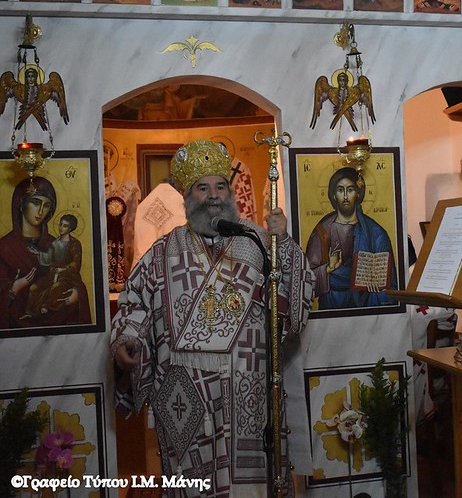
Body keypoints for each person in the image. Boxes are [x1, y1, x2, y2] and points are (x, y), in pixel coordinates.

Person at [110, 139, 315, 496]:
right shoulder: (164, 251)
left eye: (220, 186)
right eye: (202, 188)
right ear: (187, 197)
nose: (214, 196)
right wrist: (128, 337)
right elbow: (135, 299)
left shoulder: (257, 241)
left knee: (251, 484)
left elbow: (295, 300)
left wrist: (284, 243)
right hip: (186, 396)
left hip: (247, 388)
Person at [0, 176, 90, 329]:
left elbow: (74, 277)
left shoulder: (56, 243)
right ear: (21, 204)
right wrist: (15, 288)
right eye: (35, 203)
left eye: (46, 205)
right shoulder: (5, 247)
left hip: (57, 324)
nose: (41, 211)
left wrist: (78, 293)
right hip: (15, 332)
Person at [305, 166, 397, 310]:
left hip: (366, 309)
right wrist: (328, 268)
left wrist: (378, 287)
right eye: (340, 190)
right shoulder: (322, 231)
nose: (345, 197)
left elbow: (390, 287)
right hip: (331, 306)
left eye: (350, 190)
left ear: (358, 194)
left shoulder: (375, 233)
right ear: (333, 195)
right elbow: (305, 279)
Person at [24, 213, 85, 317]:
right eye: (60, 224)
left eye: (65, 226)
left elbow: (76, 263)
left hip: (68, 277)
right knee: (33, 288)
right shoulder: (54, 243)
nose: (61, 228)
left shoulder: (74, 244)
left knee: (55, 288)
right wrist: (38, 253)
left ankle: (45, 306)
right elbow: (49, 259)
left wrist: (63, 269)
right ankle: (31, 314)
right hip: (52, 275)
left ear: (70, 229)